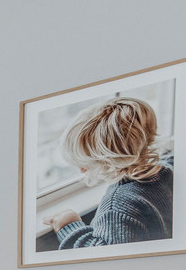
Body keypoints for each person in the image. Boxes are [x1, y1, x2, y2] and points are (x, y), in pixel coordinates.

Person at [43, 96, 174, 249]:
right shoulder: (169, 168)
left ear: (110, 161)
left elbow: (106, 260)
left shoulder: (118, 207)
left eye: (85, 163)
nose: (81, 170)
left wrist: (68, 225)